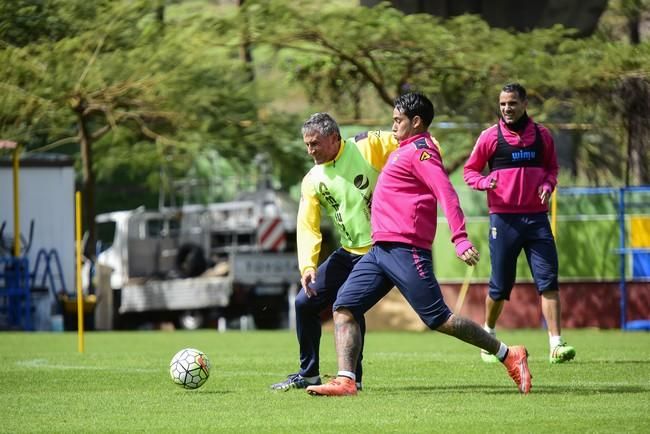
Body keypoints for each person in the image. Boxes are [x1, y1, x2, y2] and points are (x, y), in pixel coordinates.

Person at [306, 92, 532, 397]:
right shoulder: (402, 149)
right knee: (344, 306)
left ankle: (508, 354)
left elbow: (446, 192)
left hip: (406, 249)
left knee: (439, 319)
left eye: (398, 119)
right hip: (380, 250)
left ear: (416, 122)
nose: (393, 124)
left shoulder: (421, 152)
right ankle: (346, 380)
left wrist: (460, 237)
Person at [271, 113, 398, 391]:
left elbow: (410, 141)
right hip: (348, 252)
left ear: (334, 138)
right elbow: (307, 225)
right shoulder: (312, 179)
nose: (310, 150)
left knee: (350, 304)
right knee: (304, 303)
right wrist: (308, 266)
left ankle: (353, 378)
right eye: (306, 144)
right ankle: (309, 374)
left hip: (381, 250)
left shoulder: (366, 146)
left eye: (314, 144)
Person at [463, 82, 576, 364]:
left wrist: (549, 185)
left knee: (548, 281)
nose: (506, 108)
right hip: (503, 220)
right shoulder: (490, 137)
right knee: (500, 286)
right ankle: (488, 336)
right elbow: (469, 171)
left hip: (537, 219)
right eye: (502, 104)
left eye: (512, 103)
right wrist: (485, 181)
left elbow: (552, 169)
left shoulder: (542, 136)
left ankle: (556, 344)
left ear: (524, 103)